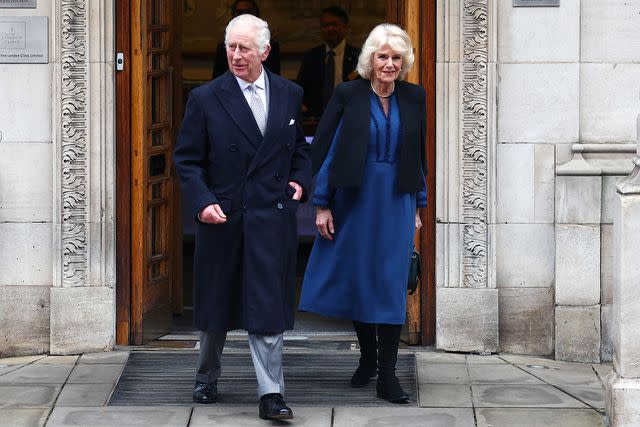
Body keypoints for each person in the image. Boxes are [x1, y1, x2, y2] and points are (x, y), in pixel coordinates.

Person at [174, 13, 311, 420]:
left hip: (271, 217)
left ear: (264, 52)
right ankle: (207, 376)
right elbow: (187, 160)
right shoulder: (205, 98)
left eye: (244, 48)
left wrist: (300, 182)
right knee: (216, 307)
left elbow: (299, 150)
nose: (235, 55)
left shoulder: (289, 93)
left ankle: (271, 394)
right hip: (224, 217)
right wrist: (202, 201)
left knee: (267, 308)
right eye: (230, 47)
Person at [298, 23, 427, 404]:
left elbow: (416, 154)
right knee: (360, 278)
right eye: (383, 56)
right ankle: (368, 357)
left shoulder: (414, 96)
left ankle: (388, 375)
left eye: (396, 58)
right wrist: (321, 204)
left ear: (404, 63)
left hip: (396, 201)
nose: (389, 64)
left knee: (390, 283)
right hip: (354, 199)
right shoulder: (348, 94)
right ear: (370, 59)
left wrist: (418, 205)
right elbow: (328, 150)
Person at [296, 5, 360, 117]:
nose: (330, 29)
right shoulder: (311, 57)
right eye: (326, 25)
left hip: (350, 118)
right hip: (316, 121)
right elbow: (300, 90)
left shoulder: (358, 57)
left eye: (335, 25)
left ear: (345, 27)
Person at [212, 0, 281, 79]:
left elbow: (274, 81)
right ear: (233, 16)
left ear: (256, 15)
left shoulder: (270, 46)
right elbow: (217, 80)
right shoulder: (223, 47)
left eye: (248, 12)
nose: (244, 16)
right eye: (240, 12)